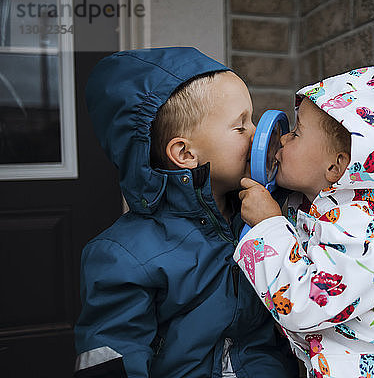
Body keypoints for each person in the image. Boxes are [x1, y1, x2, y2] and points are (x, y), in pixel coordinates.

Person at [74, 47, 299, 378]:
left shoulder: (263, 215)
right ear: (185, 153)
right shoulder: (122, 255)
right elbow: (112, 355)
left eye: (252, 119)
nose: (256, 135)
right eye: (240, 126)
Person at [234, 67, 374, 377]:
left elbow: (304, 303)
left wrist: (268, 225)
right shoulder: (324, 210)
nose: (284, 139)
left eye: (296, 133)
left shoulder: (369, 233)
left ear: (336, 166)